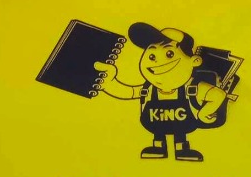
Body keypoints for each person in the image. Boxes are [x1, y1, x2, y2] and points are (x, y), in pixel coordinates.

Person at [94, 23, 227, 162]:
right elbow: (129, 92)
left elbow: (218, 95)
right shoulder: (148, 89)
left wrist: (204, 113)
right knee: (158, 136)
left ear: (195, 61)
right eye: (151, 56)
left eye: (169, 54)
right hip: (155, 126)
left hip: (184, 126)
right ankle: (158, 147)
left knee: (180, 136)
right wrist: (110, 83)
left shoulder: (192, 88)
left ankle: (182, 148)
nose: (157, 61)